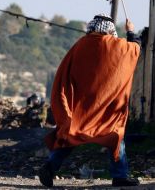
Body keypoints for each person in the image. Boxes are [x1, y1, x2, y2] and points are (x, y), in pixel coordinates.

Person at [38, 14, 141, 187]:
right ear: (110, 30)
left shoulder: (80, 45)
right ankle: (120, 175)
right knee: (115, 136)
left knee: (71, 135)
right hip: (107, 109)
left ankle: (49, 167)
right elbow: (135, 50)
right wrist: (131, 32)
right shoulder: (117, 46)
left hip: (81, 109)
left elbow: (65, 73)